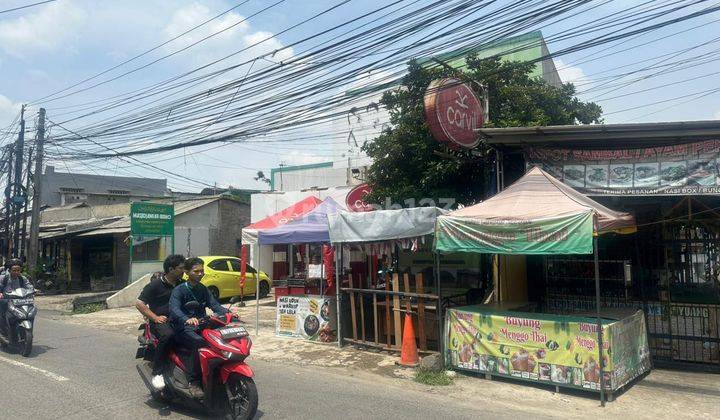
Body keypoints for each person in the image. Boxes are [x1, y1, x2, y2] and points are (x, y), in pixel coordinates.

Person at [169, 257, 229, 396]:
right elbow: (174, 309)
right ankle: (194, 381)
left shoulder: (203, 289)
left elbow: (214, 305)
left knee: (220, 339)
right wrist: (186, 319)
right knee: (199, 343)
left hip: (201, 324)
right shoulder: (179, 290)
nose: (200, 274)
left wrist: (229, 313)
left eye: (202, 271)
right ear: (187, 272)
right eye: (196, 271)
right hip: (182, 327)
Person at [136, 254, 186, 391]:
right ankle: (157, 372)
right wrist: (155, 317)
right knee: (168, 335)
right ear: (171, 269)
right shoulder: (155, 285)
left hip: (180, 319)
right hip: (161, 322)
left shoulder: (182, 285)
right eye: (181, 268)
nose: (184, 271)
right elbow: (139, 303)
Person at [0, 258, 34, 344]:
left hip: (20, 300)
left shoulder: (23, 278)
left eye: (18, 270)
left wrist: (32, 291)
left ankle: (27, 332)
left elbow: (29, 286)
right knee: (3, 315)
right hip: (6, 300)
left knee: (30, 313)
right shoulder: (3, 278)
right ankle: (3, 333)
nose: (16, 272)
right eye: (14, 270)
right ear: (9, 270)